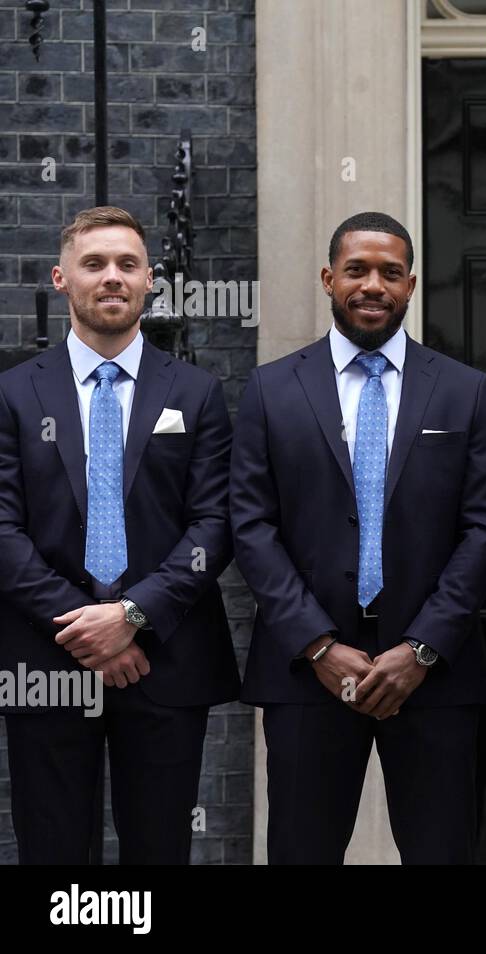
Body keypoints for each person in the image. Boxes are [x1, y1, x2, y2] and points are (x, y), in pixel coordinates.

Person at [231, 212, 486, 863]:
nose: (372, 285)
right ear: (329, 278)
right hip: (306, 674)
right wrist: (319, 644)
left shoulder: (465, 392)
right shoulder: (271, 390)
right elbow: (250, 525)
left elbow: (485, 527)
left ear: (411, 285)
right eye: (356, 269)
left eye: (389, 272)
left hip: (435, 675)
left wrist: (422, 648)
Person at [0, 206, 239, 863]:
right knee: (52, 852)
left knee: (159, 850)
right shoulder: (14, 394)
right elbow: (2, 527)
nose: (113, 277)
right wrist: (87, 629)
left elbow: (214, 523)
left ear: (149, 283)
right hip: (47, 662)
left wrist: (133, 615)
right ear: (60, 278)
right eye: (95, 263)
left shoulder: (195, 393)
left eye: (128, 265)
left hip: (166, 659)